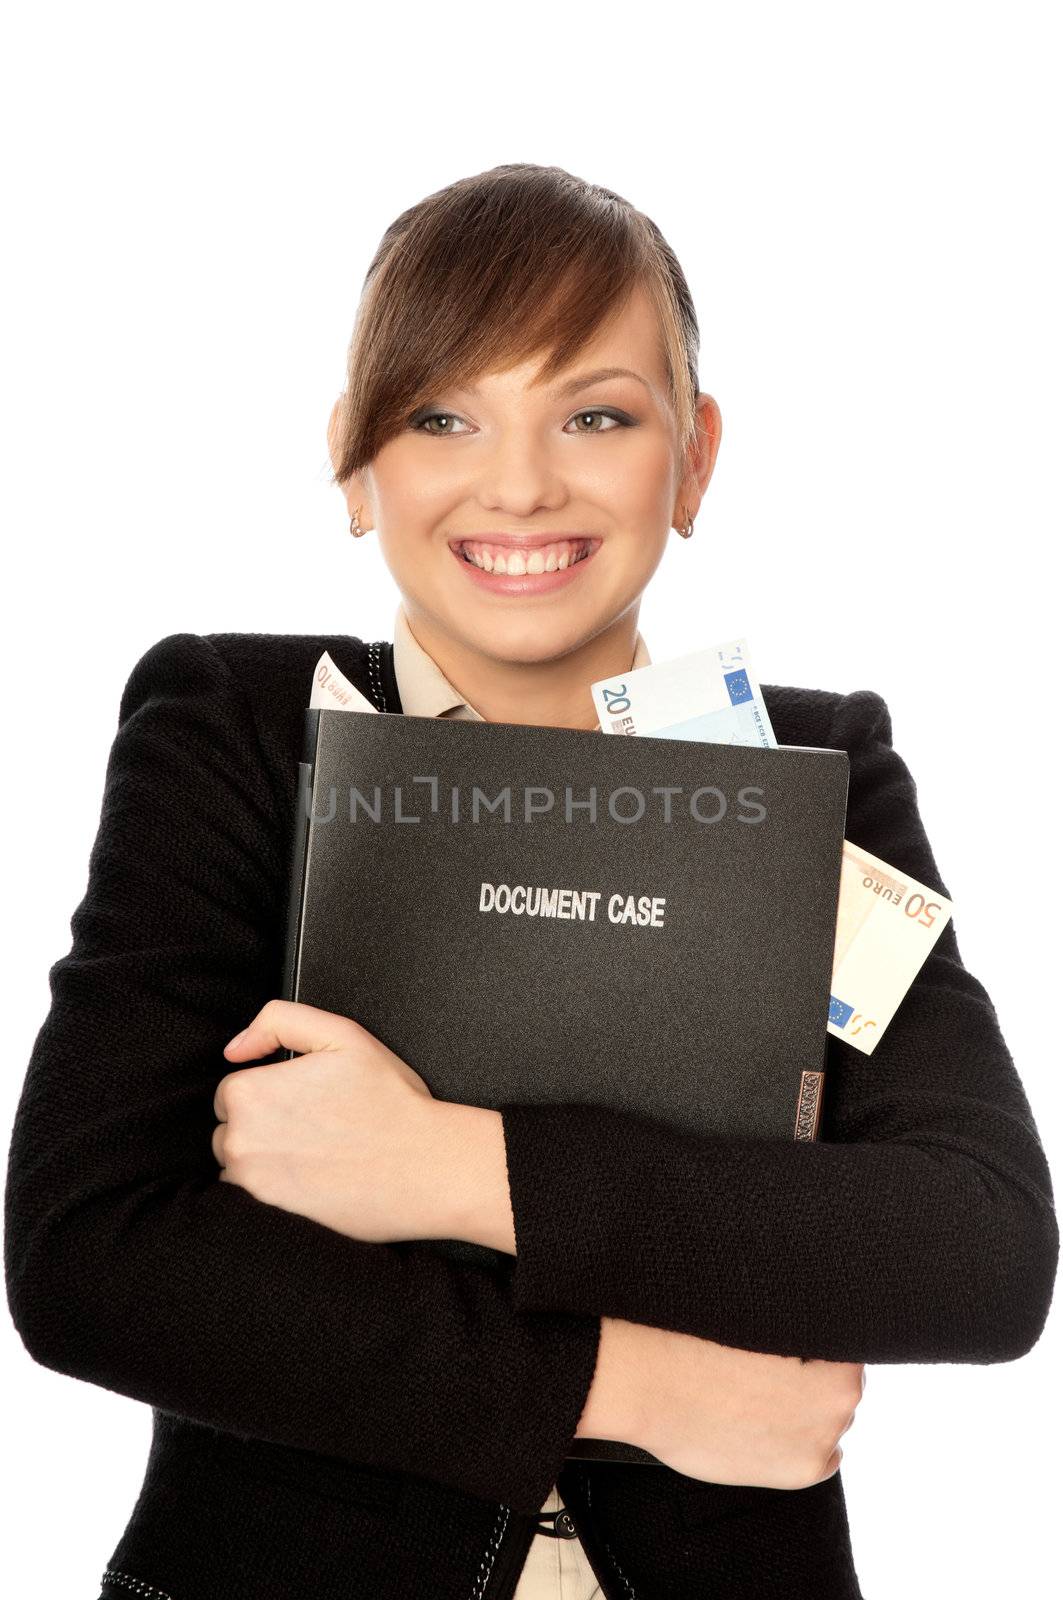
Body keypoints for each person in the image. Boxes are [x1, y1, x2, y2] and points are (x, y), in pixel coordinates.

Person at [4, 162, 1057, 1600]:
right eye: (442, 415)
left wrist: (443, 1168)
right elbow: (92, 1254)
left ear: (693, 460)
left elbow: (974, 1245)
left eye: (598, 415)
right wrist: (624, 1387)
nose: (518, 483)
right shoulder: (238, 732)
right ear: (354, 466)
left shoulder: (814, 766)